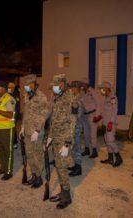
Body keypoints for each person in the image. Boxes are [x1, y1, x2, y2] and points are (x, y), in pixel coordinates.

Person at [45, 74, 77, 209]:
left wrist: (67, 144)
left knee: (62, 168)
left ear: (62, 84)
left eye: (55, 85)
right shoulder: (58, 97)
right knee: (58, 166)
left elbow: (72, 123)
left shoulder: (71, 99)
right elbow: (55, 120)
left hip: (64, 139)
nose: (53, 88)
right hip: (56, 137)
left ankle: (67, 197)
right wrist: (50, 136)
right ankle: (63, 192)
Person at [19, 74, 48, 188]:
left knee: (37, 155)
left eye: (27, 85)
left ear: (33, 84)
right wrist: (22, 127)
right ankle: (34, 174)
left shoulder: (41, 97)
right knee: (29, 153)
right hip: (27, 130)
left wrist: (37, 130)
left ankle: (39, 177)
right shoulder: (27, 95)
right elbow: (25, 113)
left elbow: (44, 115)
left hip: (36, 131)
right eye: (25, 85)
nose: (26, 87)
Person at [98, 81, 123, 167]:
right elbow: (106, 112)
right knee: (107, 141)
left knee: (111, 141)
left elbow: (115, 110)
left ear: (106, 88)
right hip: (106, 123)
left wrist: (111, 122)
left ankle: (119, 158)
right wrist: (102, 121)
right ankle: (110, 159)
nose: (101, 90)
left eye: (102, 88)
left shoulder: (113, 97)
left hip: (110, 124)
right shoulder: (107, 98)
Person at [80, 78, 102, 158]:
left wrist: (97, 116)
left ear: (86, 84)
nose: (81, 85)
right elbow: (81, 104)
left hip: (92, 115)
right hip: (85, 116)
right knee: (86, 133)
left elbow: (98, 104)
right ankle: (87, 149)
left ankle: (94, 150)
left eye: (82, 84)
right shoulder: (82, 93)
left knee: (93, 134)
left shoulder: (93, 92)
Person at [67, 81, 85, 177]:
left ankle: (78, 168)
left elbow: (76, 115)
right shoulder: (75, 98)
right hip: (73, 126)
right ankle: (75, 165)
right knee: (73, 146)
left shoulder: (78, 100)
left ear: (77, 88)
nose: (71, 90)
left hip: (76, 126)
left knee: (76, 147)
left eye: (72, 88)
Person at [8, 82, 20, 149]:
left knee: (13, 129)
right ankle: (8, 142)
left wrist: (16, 116)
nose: (10, 88)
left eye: (12, 87)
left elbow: (17, 107)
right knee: (7, 129)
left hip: (14, 115)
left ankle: (15, 142)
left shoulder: (16, 95)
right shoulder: (6, 94)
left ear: (14, 87)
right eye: (9, 87)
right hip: (7, 115)